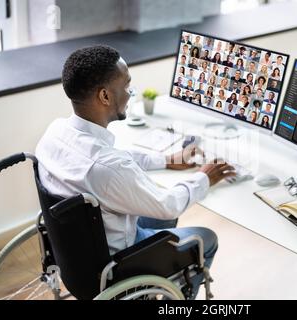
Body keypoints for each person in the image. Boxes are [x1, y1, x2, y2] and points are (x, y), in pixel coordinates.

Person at [36, 46, 235, 299]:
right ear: (105, 96)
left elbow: (115, 159)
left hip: (76, 253)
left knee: (163, 221)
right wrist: (205, 176)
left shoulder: (55, 132)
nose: (131, 93)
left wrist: (166, 160)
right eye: (127, 85)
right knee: (206, 237)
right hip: (116, 264)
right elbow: (168, 205)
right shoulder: (107, 167)